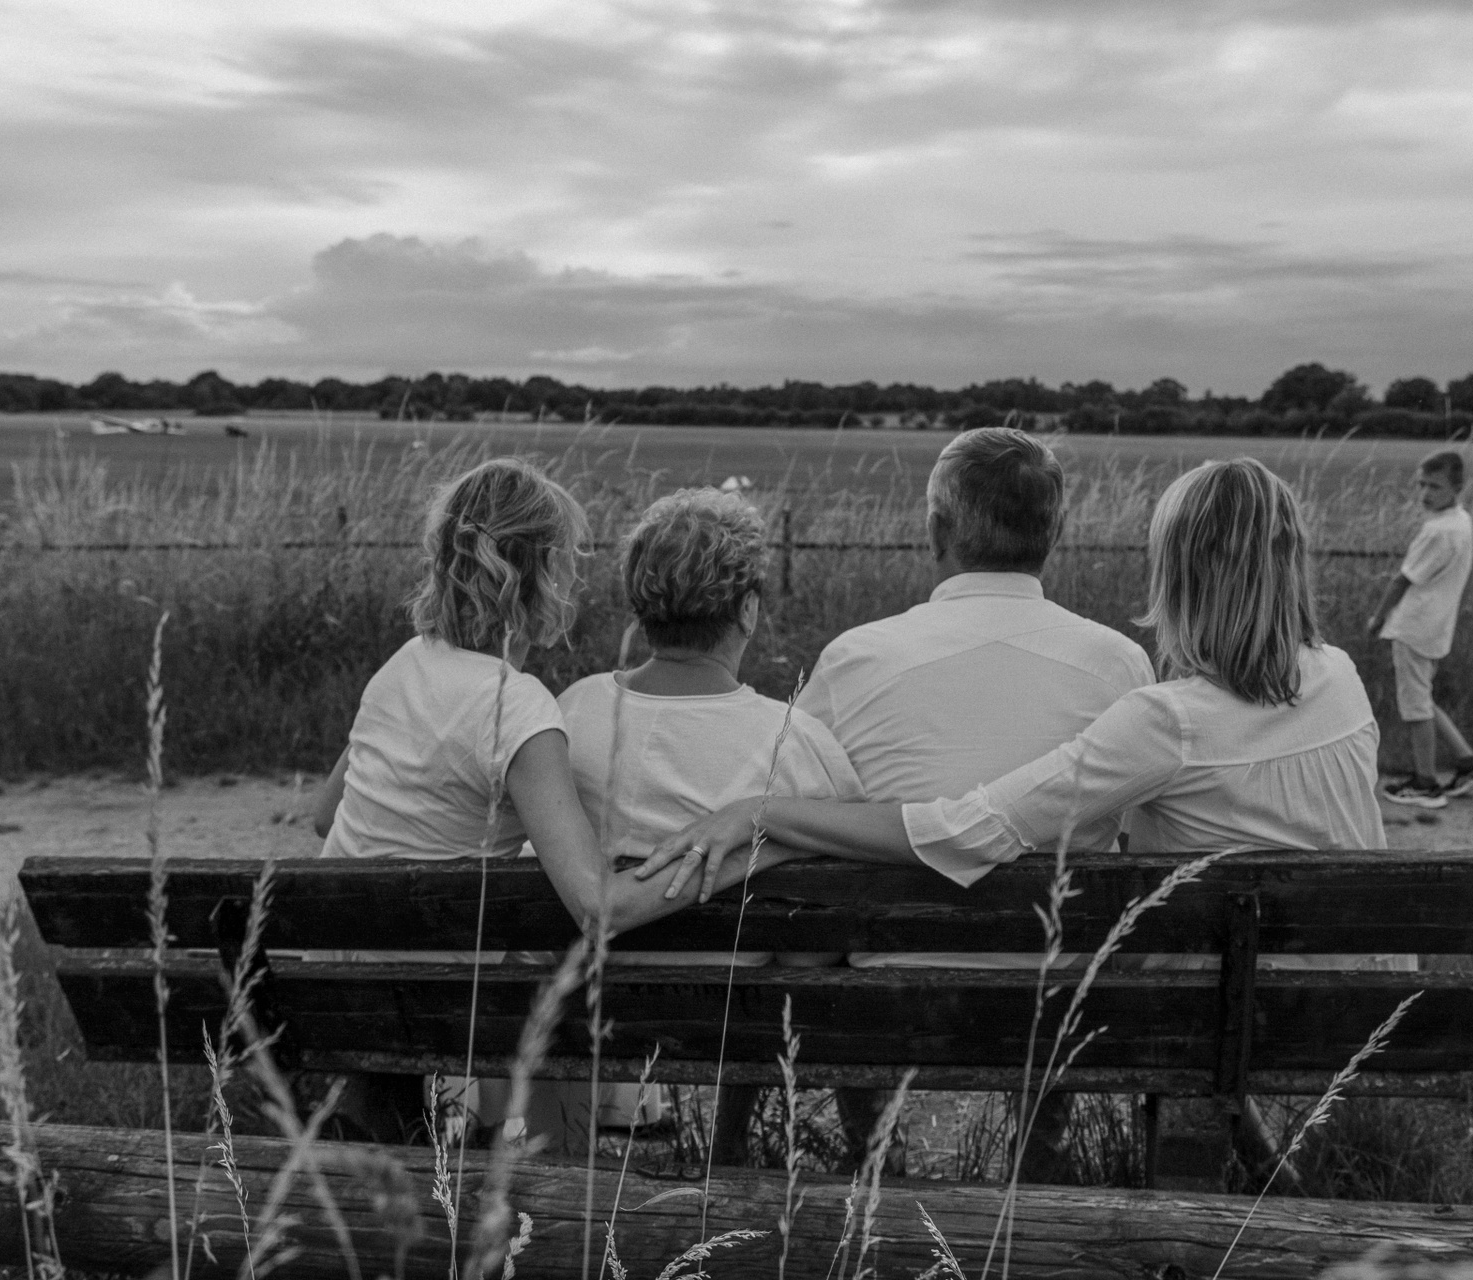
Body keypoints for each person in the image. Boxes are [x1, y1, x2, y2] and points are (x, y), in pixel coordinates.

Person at [310, 458, 801, 1142]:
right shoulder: (519, 709)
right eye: (568, 561)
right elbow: (598, 908)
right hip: (426, 995)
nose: (574, 580)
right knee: (563, 969)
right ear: (538, 572)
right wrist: (758, 846)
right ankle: (580, 1141)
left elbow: (325, 816)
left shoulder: (403, 663)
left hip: (332, 973)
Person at [789, 426, 1155, 1181]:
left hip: (887, 984)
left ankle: (875, 1164)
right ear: (1054, 532)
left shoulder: (856, 657)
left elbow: (808, 806)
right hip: (1053, 992)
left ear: (936, 530)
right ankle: (1037, 1163)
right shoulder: (1119, 662)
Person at [557, 487, 862, 1162]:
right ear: (747, 610)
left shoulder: (572, 713)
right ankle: (736, 1145)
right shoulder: (796, 741)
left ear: (639, 604)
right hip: (740, 1017)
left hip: (589, 1008)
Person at [1365, 450, 1473, 809]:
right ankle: (1469, 763)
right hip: (1436, 626)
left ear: (1456, 487)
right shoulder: (1461, 522)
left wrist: (1378, 618)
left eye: (1435, 486)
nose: (1425, 493)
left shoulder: (1436, 531)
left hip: (1414, 627)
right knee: (1423, 698)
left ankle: (1426, 782)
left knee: (1415, 707)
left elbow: (1402, 580)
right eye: (1422, 485)